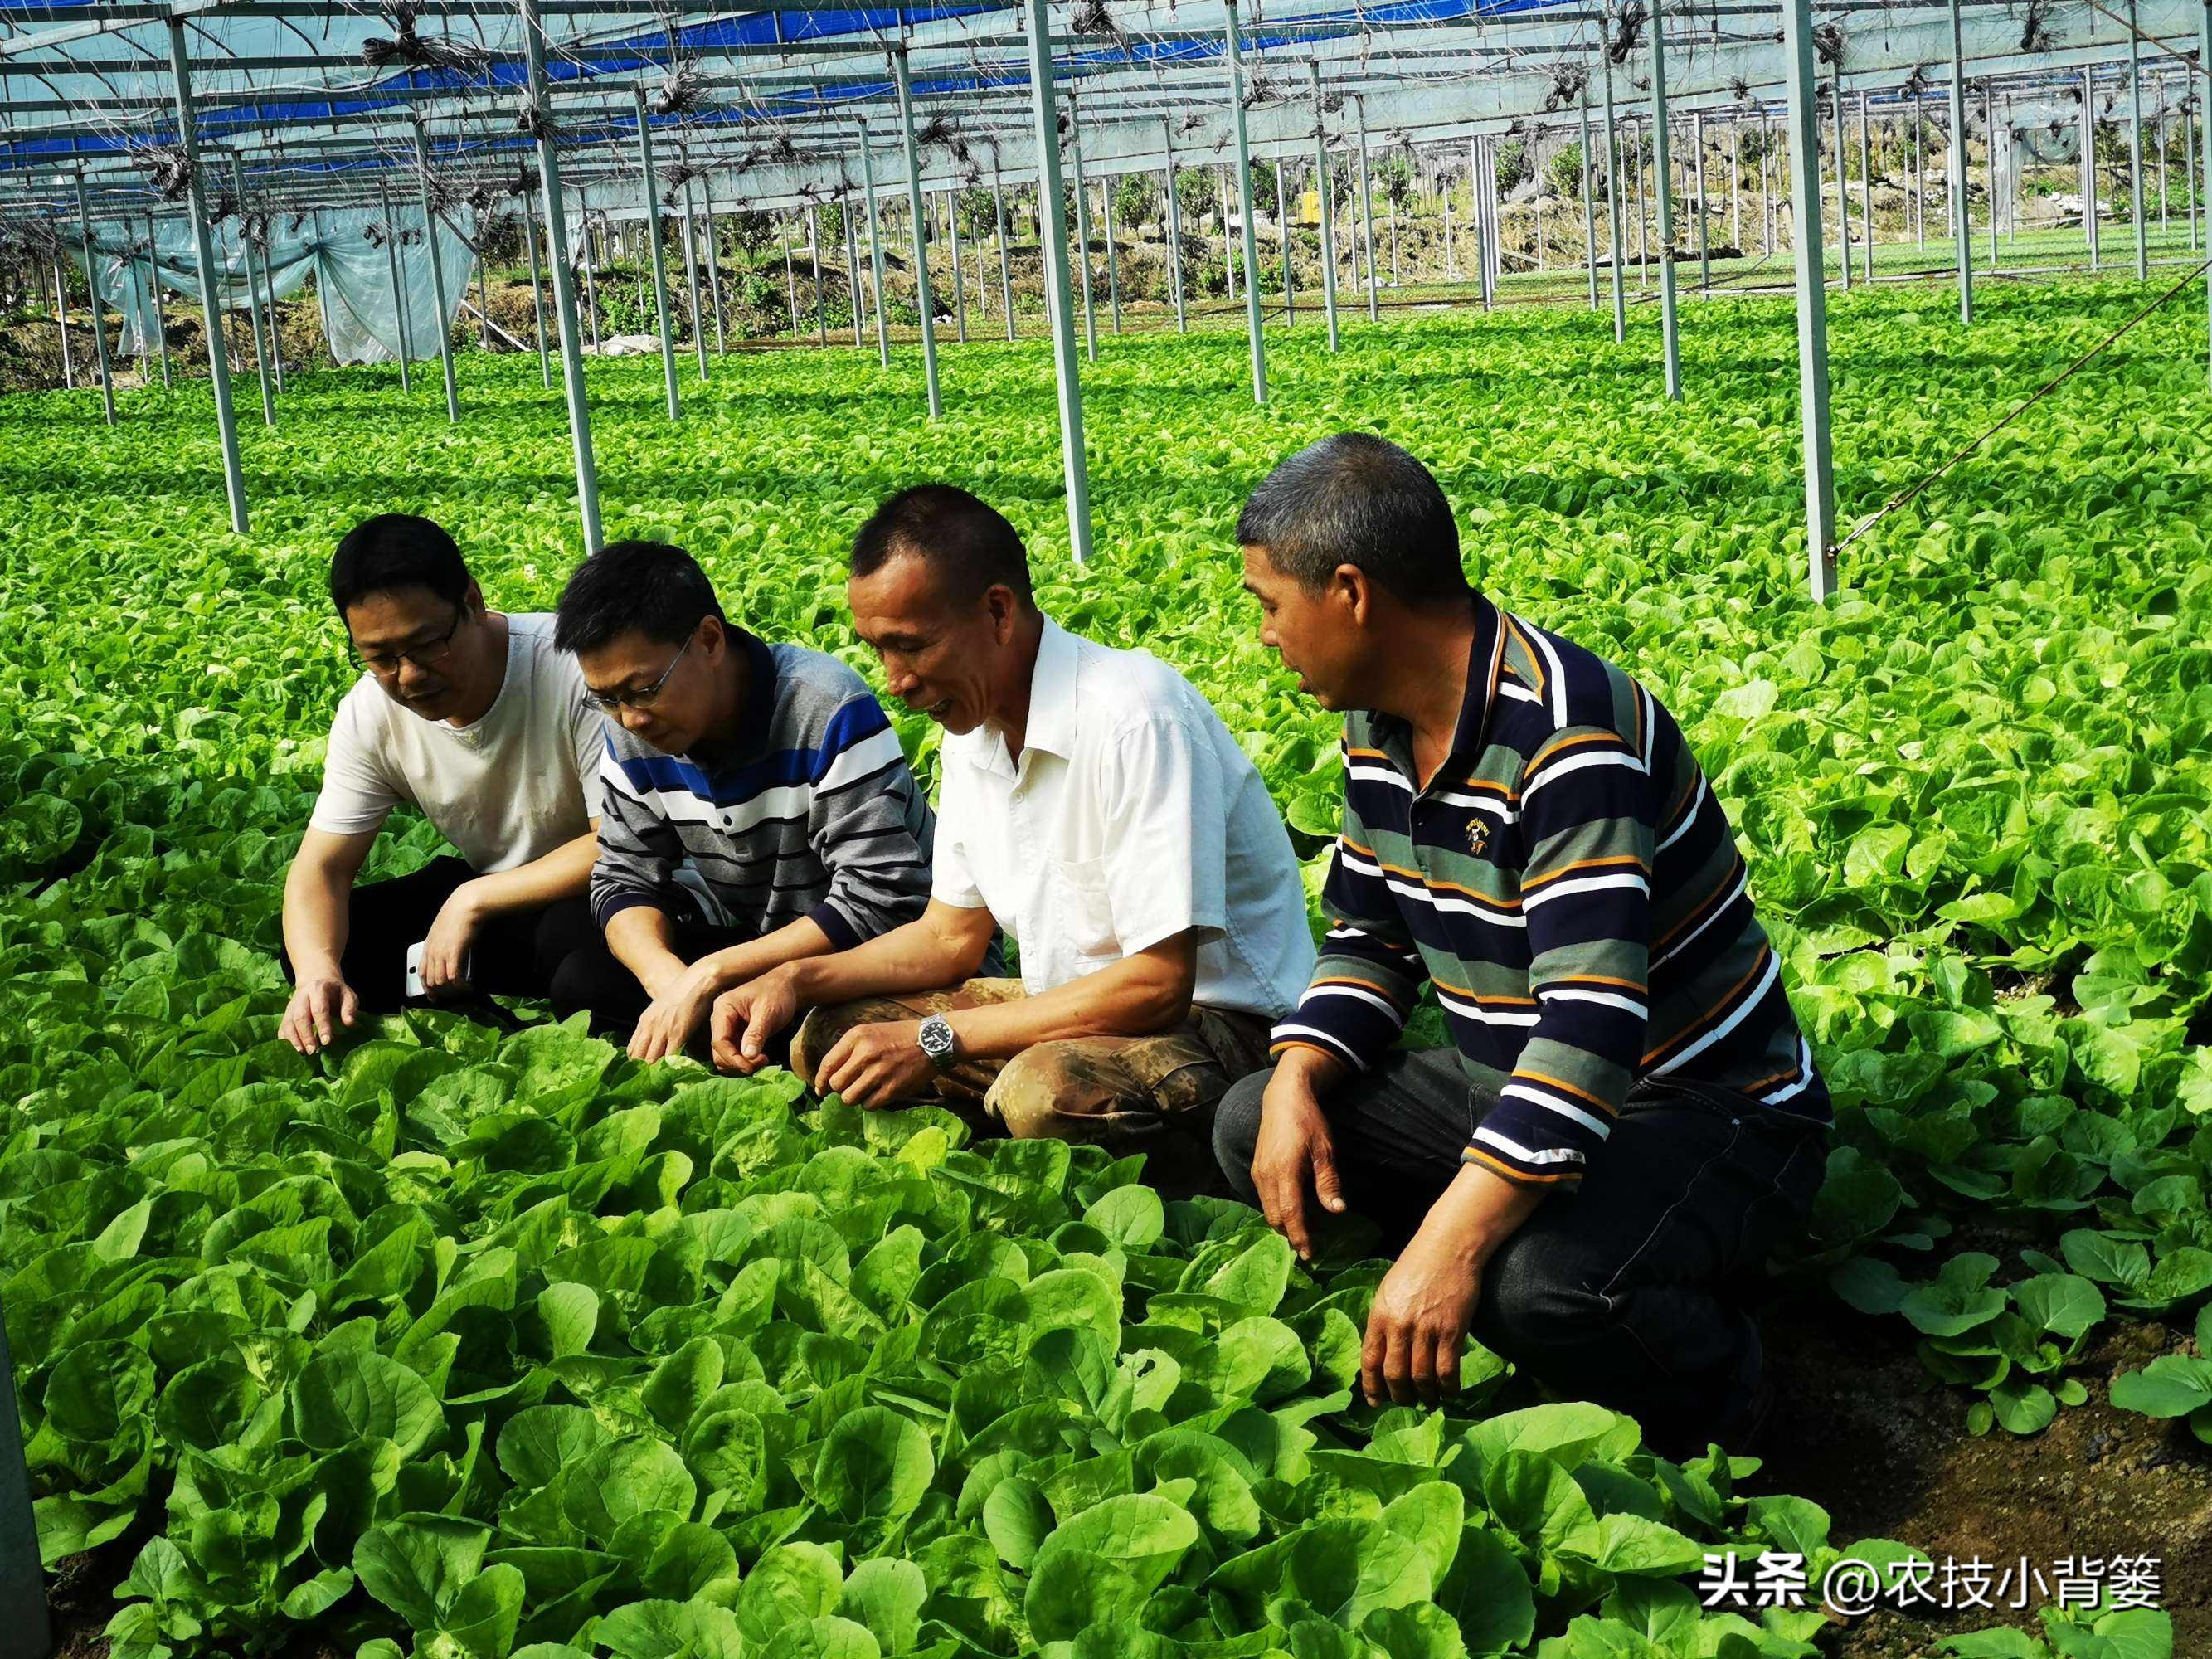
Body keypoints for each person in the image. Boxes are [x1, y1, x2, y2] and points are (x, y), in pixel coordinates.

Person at [1217, 434, 1830, 1455]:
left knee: (1535, 1284)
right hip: (1511, 1083)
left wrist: (1453, 1243)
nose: (1268, 637)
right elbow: (1370, 937)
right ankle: (1500, 1269)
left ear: (1353, 592)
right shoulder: (1375, 722)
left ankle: (1734, 1398)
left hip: (1702, 1103)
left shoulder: (1566, 732)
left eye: (1271, 605)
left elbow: (1590, 1025)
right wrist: (1296, 1072)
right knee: (1255, 1120)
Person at [710, 484, 1314, 1193]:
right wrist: (791, 977)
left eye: (911, 646)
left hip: (1230, 1030)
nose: (895, 681)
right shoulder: (971, 729)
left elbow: (1157, 986)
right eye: (878, 651)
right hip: (1072, 1012)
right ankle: (1007, 1163)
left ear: (998, 611)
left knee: (1042, 1090)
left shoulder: (1134, 716)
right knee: (831, 1036)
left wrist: (936, 1040)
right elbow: (947, 937)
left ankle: (1212, 1192)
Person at [548, 539, 936, 1064]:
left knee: (832, 1041)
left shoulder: (823, 706)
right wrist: (671, 983)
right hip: (765, 953)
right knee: (581, 978)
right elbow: (623, 874)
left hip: (882, 963)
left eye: (643, 689)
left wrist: (714, 975)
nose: (630, 718)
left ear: (709, 640)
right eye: (608, 698)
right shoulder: (632, 728)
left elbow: (880, 898)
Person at [280, 513, 601, 1056]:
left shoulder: (572, 667)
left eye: (426, 645)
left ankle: (499, 1014)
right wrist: (316, 974)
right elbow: (321, 870)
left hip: (606, 892)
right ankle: (485, 1016)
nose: (407, 675)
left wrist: (473, 899)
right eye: (379, 657)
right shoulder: (370, 711)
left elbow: (620, 841)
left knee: (578, 957)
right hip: (497, 892)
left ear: (471, 602)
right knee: (329, 945)